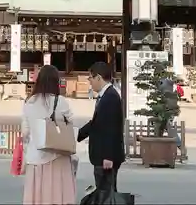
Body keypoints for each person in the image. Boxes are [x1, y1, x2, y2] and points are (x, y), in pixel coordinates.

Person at [21, 65, 76, 205]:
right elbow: (70, 124)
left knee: (38, 197)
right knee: (58, 196)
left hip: (35, 157)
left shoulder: (29, 102)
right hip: (58, 155)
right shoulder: (60, 101)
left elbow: (25, 132)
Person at [78, 61, 125, 191]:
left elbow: (112, 129)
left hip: (106, 156)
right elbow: (96, 123)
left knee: (106, 194)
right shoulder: (106, 95)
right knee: (103, 193)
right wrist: (77, 134)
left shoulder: (110, 97)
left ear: (98, 77)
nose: (90, 82)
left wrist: (108, 156)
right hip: (101, 155)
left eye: (90, 78)